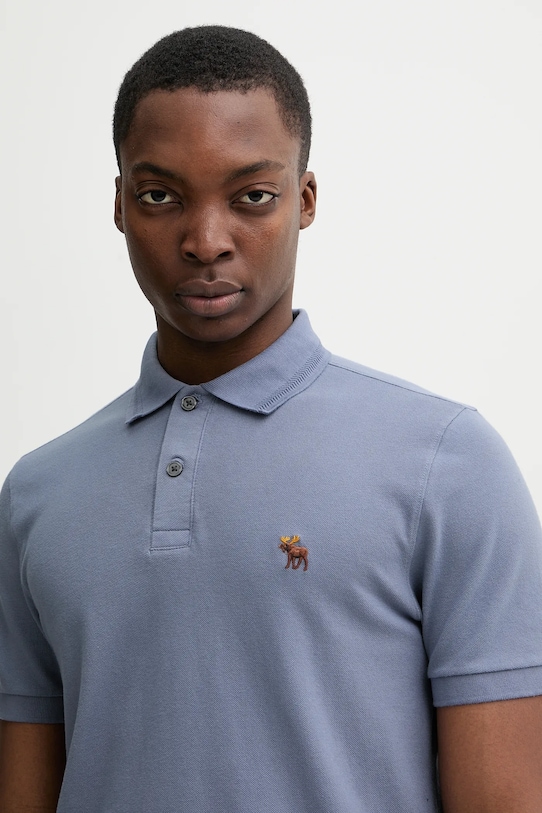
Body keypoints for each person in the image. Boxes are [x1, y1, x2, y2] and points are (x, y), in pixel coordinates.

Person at [0, 25, 541, 813]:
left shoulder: (447, 465)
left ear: (305, 199)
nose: (205, 241)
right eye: (160, 196)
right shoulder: (35, 496)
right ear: (118, 205)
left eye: (251, 195)